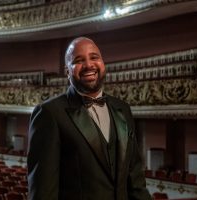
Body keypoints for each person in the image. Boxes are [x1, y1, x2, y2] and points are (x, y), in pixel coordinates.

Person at [27, 37, 151, 200]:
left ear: (102, 63)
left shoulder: (123, 109)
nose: (88, 65)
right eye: (78, 60)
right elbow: (43, 192)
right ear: (67, 71)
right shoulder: (49, 113)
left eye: (94, 57)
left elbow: (136, 180)